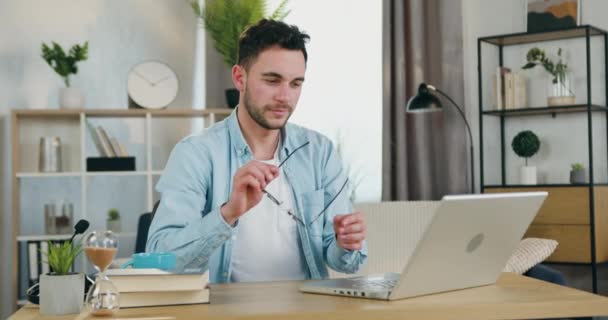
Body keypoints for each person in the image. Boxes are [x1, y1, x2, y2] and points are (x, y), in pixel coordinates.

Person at [146, 19, 368, 283]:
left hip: (308, 309)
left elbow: (343, 261)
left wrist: (346, 244)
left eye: (296, 84)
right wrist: (228, 213)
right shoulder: (195, 154)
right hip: (225, 311)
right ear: (240, 78)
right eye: (273, 81)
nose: (285, 97)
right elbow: (161, 257)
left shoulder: (319, 152)